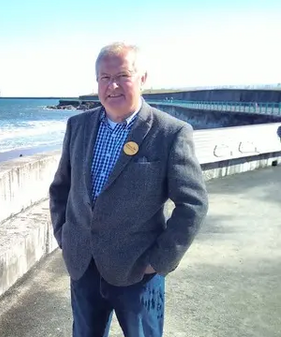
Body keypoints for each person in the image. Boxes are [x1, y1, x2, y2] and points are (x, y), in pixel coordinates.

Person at [49, 42, 209, 337]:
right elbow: (61, 189)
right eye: (104, 78)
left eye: (122, 75)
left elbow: (193, 204)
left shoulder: (170, 133)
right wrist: (65, 237)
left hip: (138, 272)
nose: (113, 86)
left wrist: (159, 261)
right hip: (83, 265)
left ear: (142, 78)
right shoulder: (78, 127)